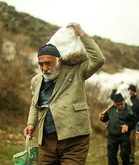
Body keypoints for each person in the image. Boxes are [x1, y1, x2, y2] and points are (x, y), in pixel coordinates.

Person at [23, 22, 105, 164]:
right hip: (46, 143)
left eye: (48, 63)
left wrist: (82, 34)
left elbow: (98, 60)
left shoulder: (76, 71)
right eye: (41, 64)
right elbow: (35, 104)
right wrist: (31, 123)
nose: (44, 68)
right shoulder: (36, 80)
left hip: (75, 139)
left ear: (59, 61)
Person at [99, 93, 136, 165]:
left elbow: (133, 122)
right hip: (112, 136)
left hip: (124, 136)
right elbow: (105, 118)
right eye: (118, 105)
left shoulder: (128, 110)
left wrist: (127, 126)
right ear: (114, 103)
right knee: (111, 156)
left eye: (121, 104)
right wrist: (102, 118)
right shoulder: (110, 108)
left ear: (123, 101)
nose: (120, 106)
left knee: (124, 155)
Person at [111, 84, 139, 164]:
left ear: (134, 92)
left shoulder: (137, 102)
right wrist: (114, 89)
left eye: (132, 90)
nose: (131, 92)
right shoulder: (124, 99)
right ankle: (124, 156)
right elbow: (113, 98)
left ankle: (131, 157)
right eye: (130, 90)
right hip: (123, 123)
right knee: (124, 141)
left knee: (131, 140)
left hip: (133, 123)